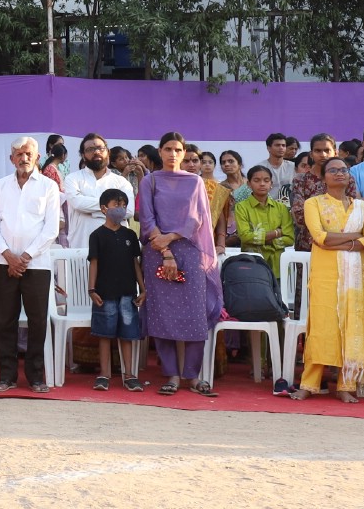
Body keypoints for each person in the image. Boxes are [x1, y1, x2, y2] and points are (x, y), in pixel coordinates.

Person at [136, 133, 221, 397]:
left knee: (195, 315)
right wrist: (165, 250)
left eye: (178, 149)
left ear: (184, 154)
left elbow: (197, 219)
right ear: (160, 152)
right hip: (156, 250)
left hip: (189, 250)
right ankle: (171, 374)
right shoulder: (149, 181)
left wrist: (171, 238)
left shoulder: (195, 182)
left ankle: (193, 376)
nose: (173, 154)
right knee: (163, 314)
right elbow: (147, 219)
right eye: (168, 149)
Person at [0, 136, 64, 393]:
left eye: (28, 154)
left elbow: (51, 229)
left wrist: (24, 257)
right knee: (3, 319)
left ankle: (36, 376)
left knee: (37, 320)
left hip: (37, 264)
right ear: (11, 159)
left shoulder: (49, 187)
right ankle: (6, 376)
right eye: (18, 154)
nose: (23, 158)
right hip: (3, 261)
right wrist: (9, 256)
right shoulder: (0, 186)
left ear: (38, 157)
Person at [295, 158, 364, 402]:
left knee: (353, 326)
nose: (339, 174)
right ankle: (309, 383)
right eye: (333, 170)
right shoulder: (314, 203)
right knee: (322, 328)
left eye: (343, 170)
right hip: (325, 276)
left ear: (350, 176)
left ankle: (346, 385)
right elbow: (319, 237)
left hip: (355, 279)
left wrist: (340, 240)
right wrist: (355, 239)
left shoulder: (363, 208)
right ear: (323, 177)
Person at [87, 188, 146, 393]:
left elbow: (136, 263)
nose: (120, 209)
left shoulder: (130, 234)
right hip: (104, 293)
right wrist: (91, 289)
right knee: (105, 334)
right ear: (104, 209)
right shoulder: (97, 236)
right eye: (116, 205)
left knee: (127, 334)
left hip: (128, 293)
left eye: (123, 205)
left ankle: (129, 375)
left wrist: (143, 289)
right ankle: (104, 374)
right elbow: (93, 263)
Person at [63, 134, 124, 249]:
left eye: (101, 148)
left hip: (116, 247)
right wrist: (113, 206)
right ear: (83, 155)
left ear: (108, 151)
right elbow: (78, 203)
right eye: (90, 149)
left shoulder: (121, 182)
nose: (96, 152)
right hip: (82, 247)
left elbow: (128, 210)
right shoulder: (72, 179)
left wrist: (90, 210)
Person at [234, 166, 295, 264]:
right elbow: (245, 237)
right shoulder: (241, 207)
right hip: (252, 263)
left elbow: (290, 239)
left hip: (278, 263)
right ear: (249, 184)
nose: (262, 184)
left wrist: (261, 239)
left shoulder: (281, 208)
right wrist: (275, 233)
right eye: (257, 180)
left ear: (271, 184)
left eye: (266, 180)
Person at [290, 134, 337, 252]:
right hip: (308, 243)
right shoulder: (300, 180)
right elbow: (299, 215)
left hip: (339, 242)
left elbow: (349, 213)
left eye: (327, 150)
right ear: (311, 154)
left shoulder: (346, 179)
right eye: (318, 151)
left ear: (335, 153)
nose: (323, 155)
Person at [256, 132, 294, 202]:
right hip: (267, 207)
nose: (281, 148)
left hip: (289, 208)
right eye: (277, 145)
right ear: (269, 148)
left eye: (283, 145)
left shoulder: (293, 167)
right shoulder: (260, 168)